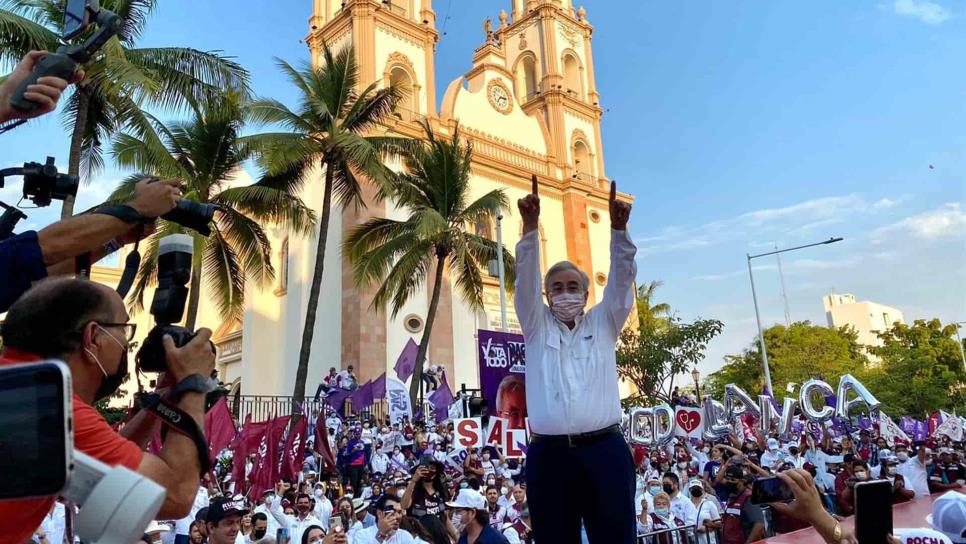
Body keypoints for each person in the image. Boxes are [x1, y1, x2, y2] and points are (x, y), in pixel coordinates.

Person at [0, 278, 216, 543]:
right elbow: (175, 495)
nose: (127, 343)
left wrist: (163, 398)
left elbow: (110, 470)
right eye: (124, 329)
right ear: (93, 338)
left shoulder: (23, 389)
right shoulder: (55, 409)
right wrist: (193, 383)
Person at [514, 177, 636, 543]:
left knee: (615, 538)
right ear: (546, 294)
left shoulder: (604, 321)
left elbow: (621, 279)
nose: (565, 293)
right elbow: (524, 278)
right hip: (549, 458)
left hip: (605, 452)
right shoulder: (535, 325)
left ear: (586, 293)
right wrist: (531, 228)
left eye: (572, 287)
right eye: (557, 287)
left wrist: (618, 230)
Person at [719, 467, 765, 544]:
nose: (729, 482)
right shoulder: (732, 497)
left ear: (742, 481)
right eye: (728, 479)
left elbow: (759, 525)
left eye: (733, 480)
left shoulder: (748, 498)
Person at [446, 489, 510, 544]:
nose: (453, 515)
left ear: (472, 513)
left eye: (458, 511)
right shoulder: (463, 539)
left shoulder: (496, 540)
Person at [689, 479, 721, 544]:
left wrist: (707, 529)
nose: (696, 489)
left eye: (698, 488)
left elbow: (719, 524)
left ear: (702, 489)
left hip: (708, 540)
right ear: (690, 490)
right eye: (694, 488)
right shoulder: (686, 505)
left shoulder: (709, 504)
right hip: (691, 540)